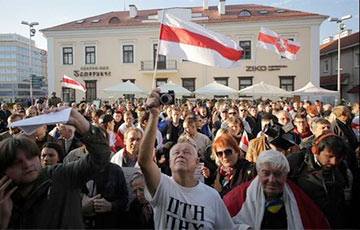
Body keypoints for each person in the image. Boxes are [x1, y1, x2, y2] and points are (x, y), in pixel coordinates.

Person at [138, 89, 234, 229]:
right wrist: (154, 115)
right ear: (170, 163)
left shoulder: (212, 196)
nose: (180, 154)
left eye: (187, 152)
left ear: (197, 162)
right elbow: (144, 162)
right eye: (176, 152)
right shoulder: (162, 186)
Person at [0, 107, 111, 229]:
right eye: (17, 162)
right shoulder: (5, 204)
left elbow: (100, 157)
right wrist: (3, 220)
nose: (27, 164)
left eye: (30, 157)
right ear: (4, 170)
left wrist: (81, 123)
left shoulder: (61, 176)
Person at [224, 150, 330, 229]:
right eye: (266, 173)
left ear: (286, 175)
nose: (272, 180)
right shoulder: (237, 198)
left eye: (278, 174)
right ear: (258, 172)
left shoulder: (298, 197)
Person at [287, 132, 360, 229]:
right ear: (316, 150)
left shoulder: (341, 167)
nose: (334, 162)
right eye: (329, 156)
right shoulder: (296, 162)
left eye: (338, 158)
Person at [203, 130, 256, 197]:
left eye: (228, 152)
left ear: (237, 151)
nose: (224, 156)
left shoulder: (251, 170)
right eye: (220, 153)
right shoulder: (220, 172)